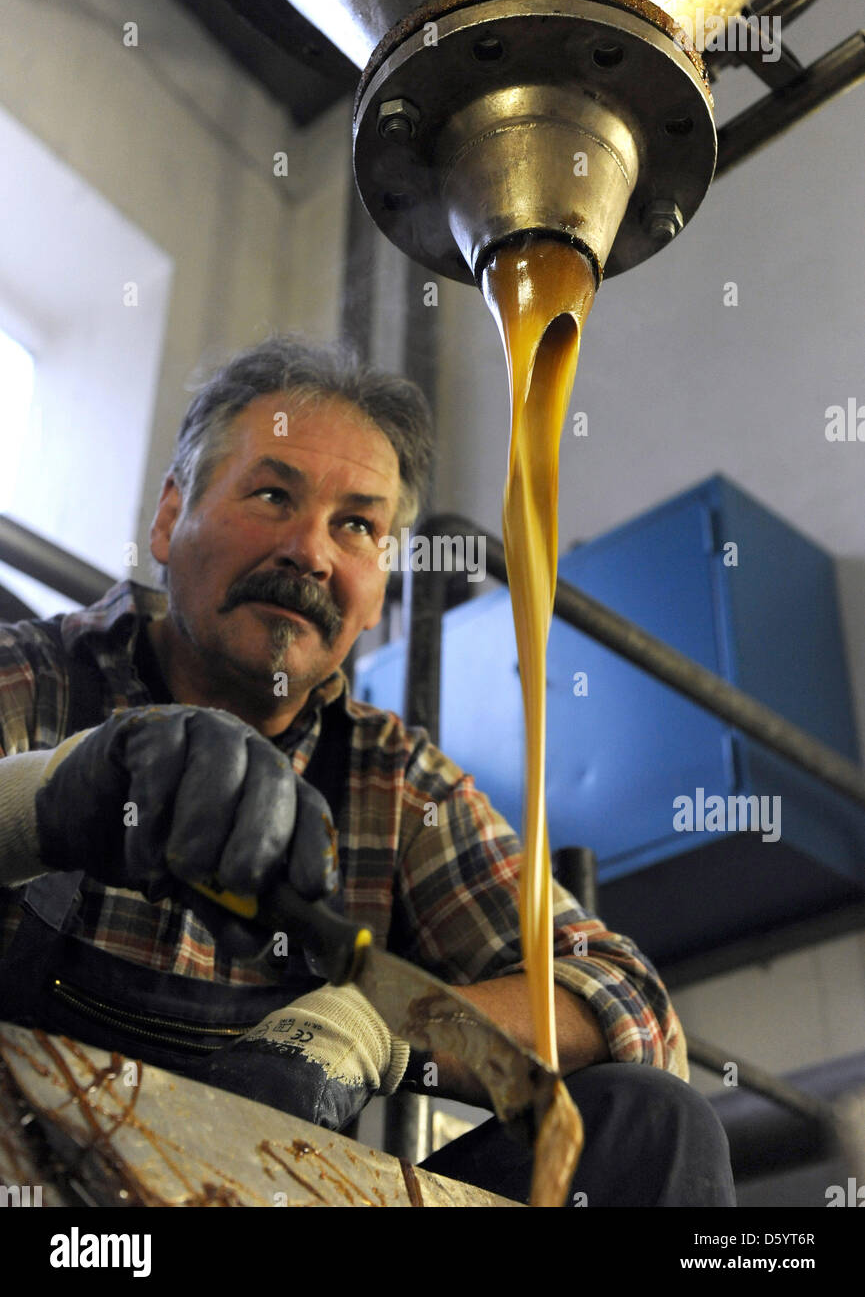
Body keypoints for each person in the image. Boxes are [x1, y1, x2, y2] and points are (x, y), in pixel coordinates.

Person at [0, 336, 734, 1206]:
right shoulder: (31, 677)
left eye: (357, 525)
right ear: (170, 518)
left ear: (378, 585)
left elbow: (634, 1009)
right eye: (272, 494)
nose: (309, 551)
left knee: (648, 1124)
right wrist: (42, 804)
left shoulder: (398, 787)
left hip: (264, 1197)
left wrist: (377, 1022)